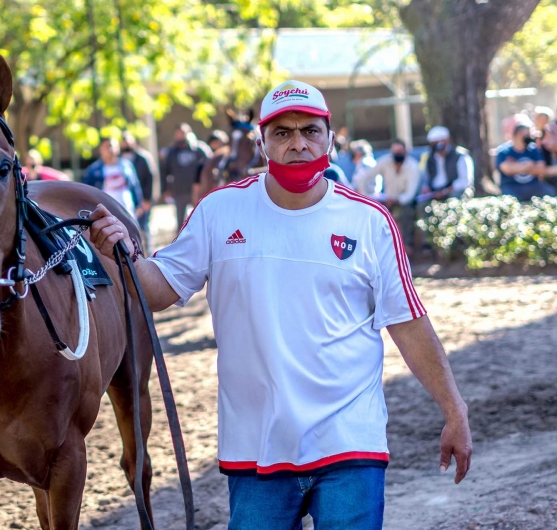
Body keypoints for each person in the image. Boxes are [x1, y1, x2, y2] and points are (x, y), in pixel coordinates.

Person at [88, 80, 472, 529]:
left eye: (310, 131)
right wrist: (122, 254)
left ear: (330, 136)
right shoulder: (219, 212)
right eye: (283, 133)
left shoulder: (369, 221)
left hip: (349, 441)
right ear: (261, 142)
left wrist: (454, 409)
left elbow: (408, 323)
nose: (298, 144)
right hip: (255, 447)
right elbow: (159, 291)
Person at [353, 139, 421, 251]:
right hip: (387, 200)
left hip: (406, 202)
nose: (397, 154)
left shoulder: (413, 167)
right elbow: (364, 177)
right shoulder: (385, 162)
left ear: (406, 151)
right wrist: (365, 197)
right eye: (395, 151)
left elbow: (410, 194)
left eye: (400, 151)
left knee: (406, 212)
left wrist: (396, 200)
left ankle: (407, 246)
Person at [161, 123, 212, 234]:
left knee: (202, 218)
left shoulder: (200, 150)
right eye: (178, 134)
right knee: (181, 222)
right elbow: (165, 171)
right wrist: (165, 189)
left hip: (199, 191)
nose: (180, 136)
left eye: (182, 133)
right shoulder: (172, 152)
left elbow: (210, 167)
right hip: (179, 190)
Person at [82, 137, 143, 220]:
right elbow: (87, 191)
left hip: (127, 211)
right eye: (108, 146)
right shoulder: (94, 170)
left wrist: (138, 204)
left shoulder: (126, 165)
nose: (111, 149)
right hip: (106, 213)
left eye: (114, 146)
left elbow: (135, 185)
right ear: (101, 149)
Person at [121, 131, 158, 253]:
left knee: (143, 228)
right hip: (127, 201)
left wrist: (147, 199)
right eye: (123, 141)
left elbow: (150, 178)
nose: (125, 143)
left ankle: (147, 252)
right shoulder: (119, 160)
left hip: (143, 200)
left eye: (127, 140)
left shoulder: (143, 158)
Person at [497, 124, 553, 201]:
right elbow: (506, 169)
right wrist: (528, 165)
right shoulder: (504, 151)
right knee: (509, 201)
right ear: (519, 134)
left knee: (550, 192)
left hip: (534, 186)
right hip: (512, 187)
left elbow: (541, 169)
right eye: (527, 134)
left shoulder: (533, 149)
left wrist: (514, 166)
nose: (530, 137)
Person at [420, 126, 474, 200]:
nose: (438, 144)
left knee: (454, 198)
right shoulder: (429, 158)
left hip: (454, 191)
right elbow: (426, 178)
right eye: (435, 142)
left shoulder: (460, 156)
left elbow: (465, 181)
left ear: (448, 140)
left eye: (441, 141)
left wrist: (445, 191)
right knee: (422, 203)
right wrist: (426, 188)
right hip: (435, 192)